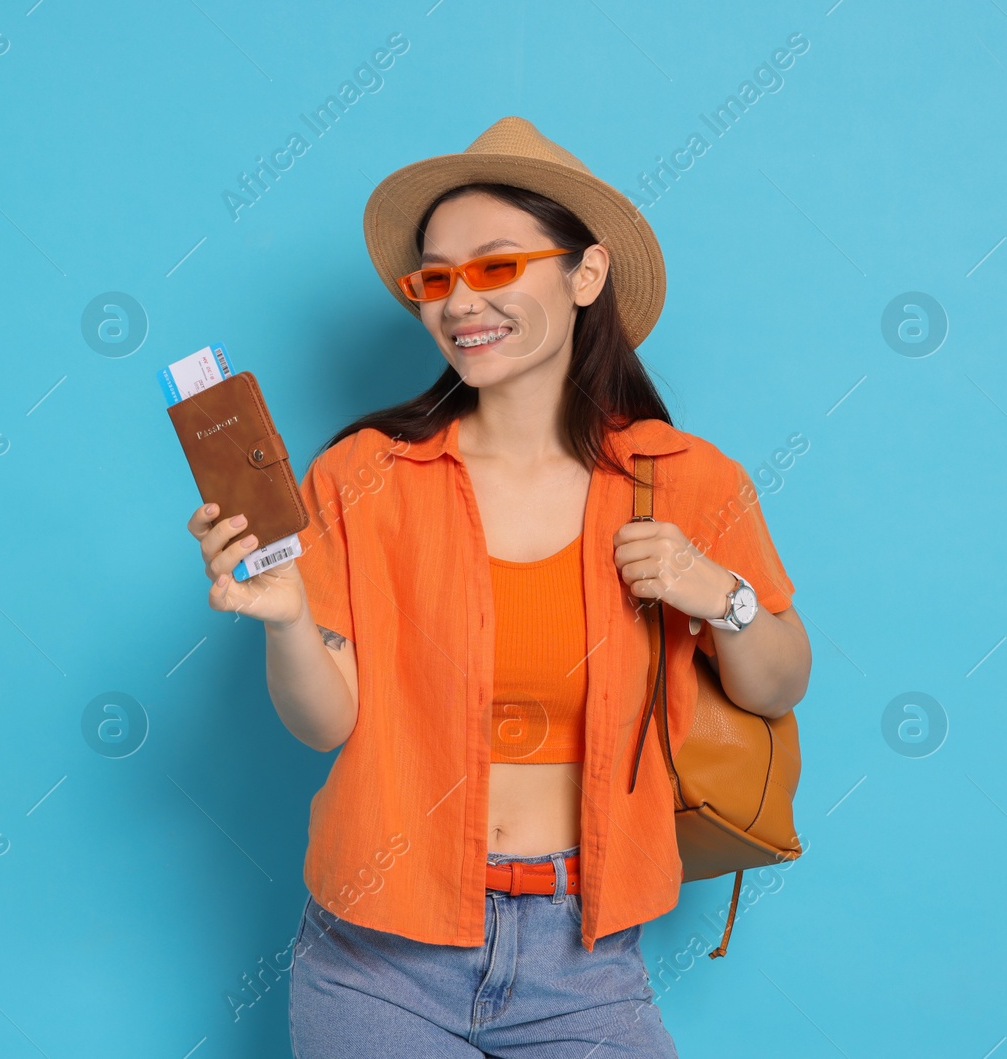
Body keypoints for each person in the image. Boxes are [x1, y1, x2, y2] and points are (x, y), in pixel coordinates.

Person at [186, 116, 810, 1057]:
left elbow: (776, 685)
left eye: (494, 266)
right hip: (378, 953)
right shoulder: (365, 474)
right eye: (434, 278)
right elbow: (323, 723)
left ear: (586, 275)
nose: (458, 302)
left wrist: (713, 590)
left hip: (586, 955)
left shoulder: (687, 478)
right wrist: (284, 623)